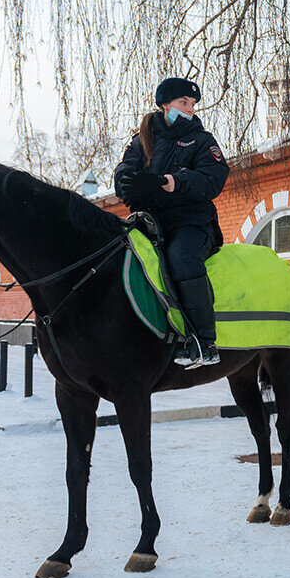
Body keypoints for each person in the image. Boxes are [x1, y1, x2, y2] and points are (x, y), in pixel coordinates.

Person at [114, 77, 229, 368]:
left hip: (190, 223)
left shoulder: (202, 140)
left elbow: (213, 179)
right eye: (183, 102)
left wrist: (173, 182)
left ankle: (204, 342)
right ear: (165, 104)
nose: (190, 109)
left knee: (181, 258)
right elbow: (123, 171)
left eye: (192, 104)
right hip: (148, 222)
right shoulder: (142, 141)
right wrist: (127, 183)